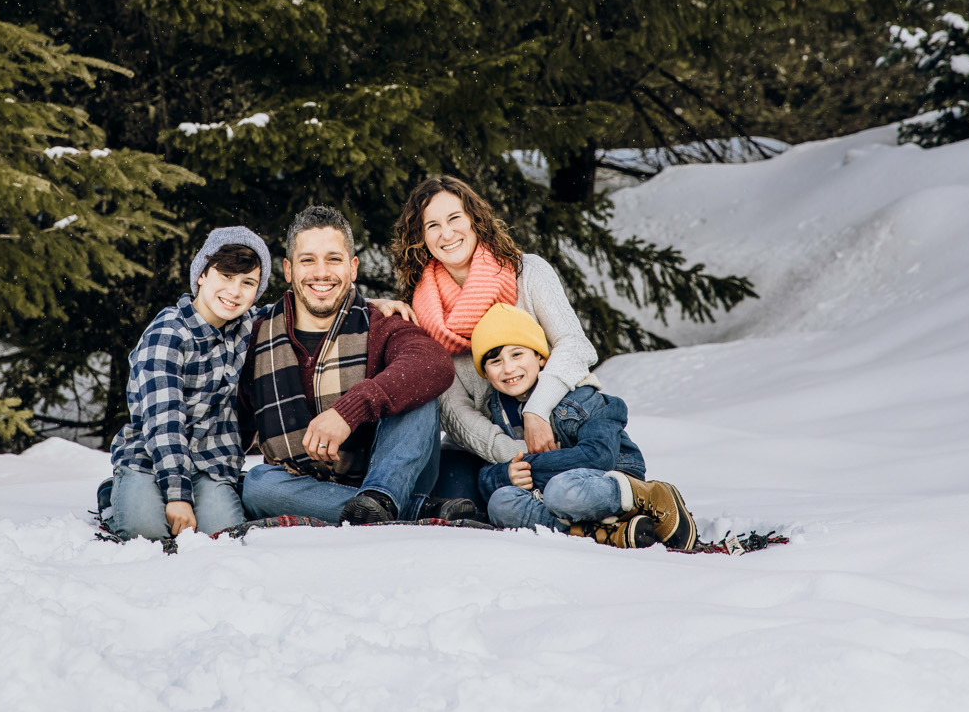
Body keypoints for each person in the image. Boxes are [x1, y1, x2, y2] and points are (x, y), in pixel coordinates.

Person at [238, 205, 473, 524]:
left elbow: (435, 364)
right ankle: (405, 511)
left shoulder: (381, 323)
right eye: (308, 260)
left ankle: (382, 498)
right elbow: (233, 425)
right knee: (256, 484)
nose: (321, 272)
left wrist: (347, 412)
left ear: (353, 268)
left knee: (417, 384)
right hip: (298, 485)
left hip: (394, 480)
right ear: (288, 269)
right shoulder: (255, 335)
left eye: (333, 259)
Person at [386, 175, 601, 504]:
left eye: (455, 218)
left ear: (475, 220)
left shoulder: (526, 272)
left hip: (556, 427)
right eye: (432, 225)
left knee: (576, 486)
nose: (447, 234)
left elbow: (574, 345)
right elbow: (453, 407)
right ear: (420, 237)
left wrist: (536, 412)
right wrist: (515, 454)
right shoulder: (421, 310)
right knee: (452, 497)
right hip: (484, 448)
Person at [467, 304, 699, 549]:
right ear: (485, 373)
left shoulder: (579, 397)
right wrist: (506, 474)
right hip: (549, 496)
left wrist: (531, 466)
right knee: (500, 502)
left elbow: (599, 457)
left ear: (541, 357)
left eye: (517, 354)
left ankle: (650, 497)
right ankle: (599, 532)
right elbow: (486, 475)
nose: (509, 368)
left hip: (604, 482)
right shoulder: (496, 411)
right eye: (495, 361)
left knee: (562, 490)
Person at [103, 227, 270, 540]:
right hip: (152, 457)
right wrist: (178, 496)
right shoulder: (167, 335)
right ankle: (114, 495)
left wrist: (372, 304)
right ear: (202, 275)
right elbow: (163, 422)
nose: (234, 291)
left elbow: (305, 309)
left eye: (247, 282)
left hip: (212, 463)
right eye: (225, 276)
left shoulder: (247, 325)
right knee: (145, 532)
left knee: (222, 534)